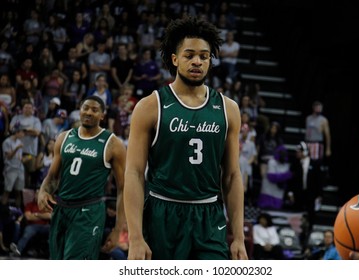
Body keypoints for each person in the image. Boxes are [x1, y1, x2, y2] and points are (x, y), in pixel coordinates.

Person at [123, 16, 248, 260]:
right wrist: (135, 238)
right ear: (174, 59)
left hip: (209, 215)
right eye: (189, 55)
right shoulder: (150, 106)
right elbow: (134, 173)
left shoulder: (228, 108)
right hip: (162, 213)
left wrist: (239, 238)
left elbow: (232, 175)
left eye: (204, 56)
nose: (197, 61)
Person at [37, 95, 127, 259]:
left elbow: (123, 189)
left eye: (94, 110)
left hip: (88, 213)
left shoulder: (113, 143)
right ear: (79, 111)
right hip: (61, 209)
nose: (89, 112)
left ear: (102, 115)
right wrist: (43, 191)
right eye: (85, 108)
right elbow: (52, 176)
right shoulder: (64, 137)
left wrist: (117, 230)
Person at [10, 189, 51, 257]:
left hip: (45, 226)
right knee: (28, 232)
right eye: (36, 194)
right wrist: (43, 216)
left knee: (54, 231)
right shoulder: (29, 205)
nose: (37, 195)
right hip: (32, 226)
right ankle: (18, 250)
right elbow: (28, 217)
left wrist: (36, 214)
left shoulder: (46, 205)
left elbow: (50, 216)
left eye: (39, 194)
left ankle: (53, 253)